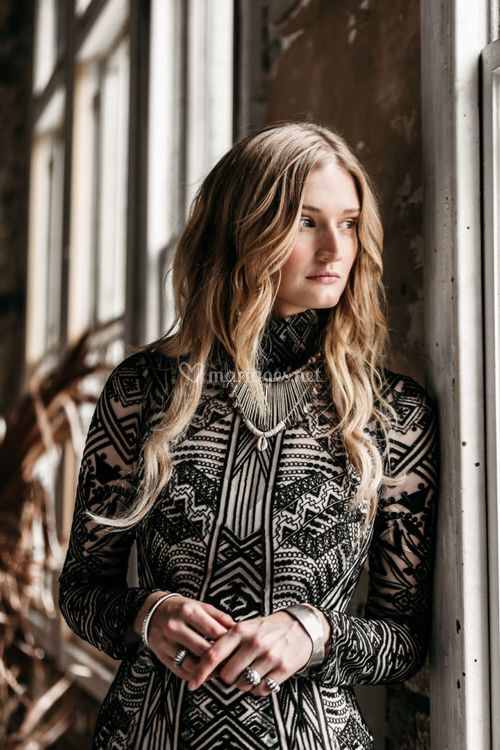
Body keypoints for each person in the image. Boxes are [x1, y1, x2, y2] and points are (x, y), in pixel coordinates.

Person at [58, 120, 438, 750]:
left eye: (348, 223)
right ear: (245, 229)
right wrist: (147, 613)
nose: (336, 250)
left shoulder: (392, 411)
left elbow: (407, 638)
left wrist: (312, 630)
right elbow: (80, 588)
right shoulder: (143, 390)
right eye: (306, 221)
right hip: (147, 735)